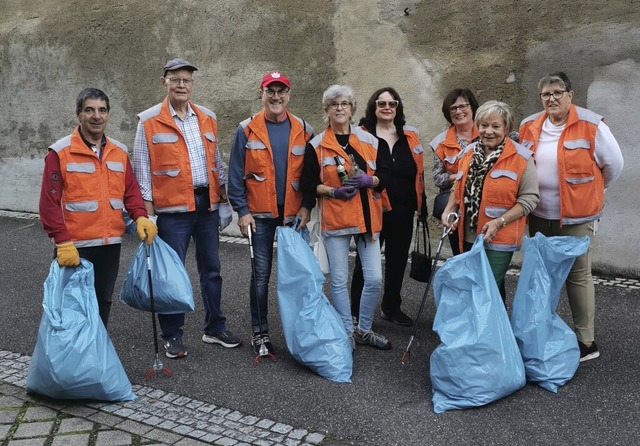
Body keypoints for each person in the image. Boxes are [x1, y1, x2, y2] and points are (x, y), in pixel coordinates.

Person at [133, 58, 239, 359]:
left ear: (192, 84)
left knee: (212, 269)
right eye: (175, 79)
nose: (182, 85)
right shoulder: (149, 120)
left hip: (206, 205)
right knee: (171, 273)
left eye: (187, 80)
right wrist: (148, 215)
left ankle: (214, 327)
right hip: (171, 211)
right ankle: (172, 335)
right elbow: (141, 172)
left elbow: (216, 163)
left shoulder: (207, 117)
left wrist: (221, 202)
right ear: (164, 81)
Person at [519, 72, 624, 362]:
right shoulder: (529, 125)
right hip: (539, 215)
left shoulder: (591, 124)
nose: (551, 98)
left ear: (570, 95)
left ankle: (586, 342)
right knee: (543, 277)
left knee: (578, 276)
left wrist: (591, 194)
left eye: (557, 92)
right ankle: (545, 333)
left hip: (577, 218)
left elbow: (614, 165)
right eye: (545, 94)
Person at [39, 87, 157, 328]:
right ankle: (71, 363)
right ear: (78, 114)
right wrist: (61, 241)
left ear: (108, 114)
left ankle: (97, 358)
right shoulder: (60, 152)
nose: (96, 116)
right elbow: (48, 203)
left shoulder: (119, 152)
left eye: (102, 110)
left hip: (109, 245)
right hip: (74, 247)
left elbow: (131, 192)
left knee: (103, 303)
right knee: (71, 308)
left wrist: (141, 217)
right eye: (89, 110)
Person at [227, 71, 314, 356]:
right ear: (261, 93)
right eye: (270, 91)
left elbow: (312, 176)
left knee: (298, 277)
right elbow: (235, 174)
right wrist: (242, 211)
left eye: (281, 91)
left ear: (289, 94)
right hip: (259, 216)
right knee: (260, 276)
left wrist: (307, 206)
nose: (276, 97)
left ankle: (301, 332)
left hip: (293, 216)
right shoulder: (246, 129)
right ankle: (260, 333)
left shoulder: (304, 129)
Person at [301, 84, 393, 350]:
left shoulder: (371, 141)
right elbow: (308, 184)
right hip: (337, 218)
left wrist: (371, 179)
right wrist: (332, 191)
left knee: (374, 279)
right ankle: (347, 332)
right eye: (333, 104)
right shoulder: (317, 145)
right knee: (339, 281)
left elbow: (385, 176)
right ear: (326, 111)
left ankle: (364, 329)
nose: (339, 108)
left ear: (352, 109)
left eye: (344, 103)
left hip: (368, 218)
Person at [442, 100, 539, 301]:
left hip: (499, 236)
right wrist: (448, 210)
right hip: (467, 235)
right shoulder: (468, 153)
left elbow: (529, 199)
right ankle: (491, 330)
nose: (488, 131)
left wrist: (499, 222)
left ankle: (486, 332)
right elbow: (458, 187)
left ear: (507, 128)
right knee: (473, 286)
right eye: (484, 125)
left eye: (496, 126)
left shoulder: (521, 157)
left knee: (487, 289)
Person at [350, 87, 427, 327]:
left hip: (404, 210)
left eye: (392, 103)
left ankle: (391, 307)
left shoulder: (410, 135)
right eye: (381, 103)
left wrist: (421, 205)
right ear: (373, 107)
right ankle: (354, 313)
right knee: (366, 264)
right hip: (374, 209)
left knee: (398, 261)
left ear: (397, 107)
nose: (387, 107)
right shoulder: (361, 134)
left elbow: (419, 172)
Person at [430, 89, 480, 256]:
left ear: (472, 107)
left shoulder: (488, 132)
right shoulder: (441, 142)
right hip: (455, 206)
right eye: (453, 108)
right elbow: (438, 178)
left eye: (463, 106)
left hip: (485, 203)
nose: (459, 111)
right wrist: (460, 177)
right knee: (461, 255)